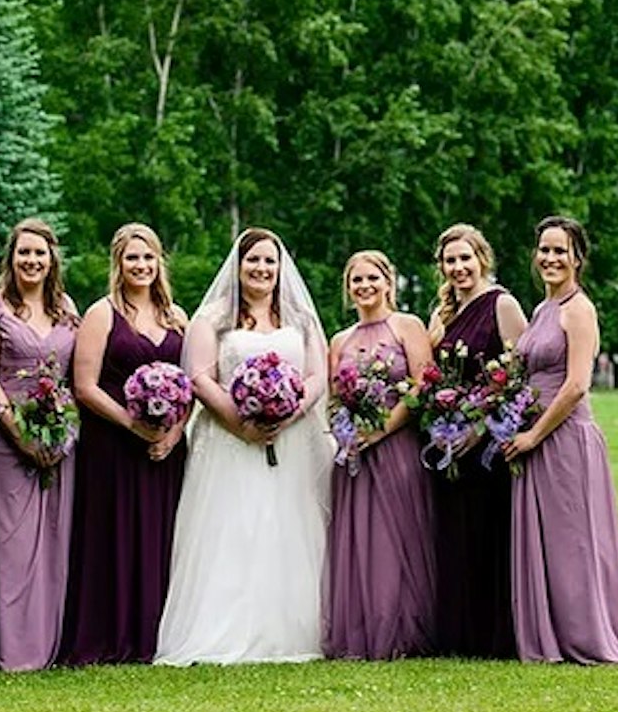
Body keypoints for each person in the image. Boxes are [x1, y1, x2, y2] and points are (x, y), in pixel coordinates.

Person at [155, 227, 332, 664]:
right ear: (238, 266)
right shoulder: (213, 317)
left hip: (289, 441)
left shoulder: (299, 319)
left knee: (286, 528)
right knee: (232, 528)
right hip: (229, 442)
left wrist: (288, 412)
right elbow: (199, 377)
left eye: (270, 261)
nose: (262, 269)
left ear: (281, 267)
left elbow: (317, 375)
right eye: (253, 260)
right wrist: (242, 425)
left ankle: (291, 633)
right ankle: (219, 631)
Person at [504, 216, 618, 664]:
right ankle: (550, 634)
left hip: (564, 439)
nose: (550, 258)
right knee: (547, 540)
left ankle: (585, 636)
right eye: (544, 250)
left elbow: (577, 384)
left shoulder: (578, 309)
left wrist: (533, 435)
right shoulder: (543, 309)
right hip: (532, 434)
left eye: (560, 251)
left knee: (574, 540)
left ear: (577, 258)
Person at [62, 223, 188, 663]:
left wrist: (173, 432)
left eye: (148, 257)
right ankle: (111, 634)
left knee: (163, 535)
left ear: (159, 262)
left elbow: (190, 385)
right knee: (112, 536)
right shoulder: (102, 314)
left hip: (165, 450)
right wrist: (133, 426)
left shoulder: (176, 317)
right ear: (118, 263)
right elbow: (85, 386)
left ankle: (157, 634)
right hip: (112, 445)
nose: (141, 265)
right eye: (132, 257)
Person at [0, 218, 79, 671]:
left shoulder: (66, 307)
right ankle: (10, 650)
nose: (31, 261)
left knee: (55, 542)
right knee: (9, 547)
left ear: (52, 260)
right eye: (23, 253)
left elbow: (70, 378)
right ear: (10, 259)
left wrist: (59, 431)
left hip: (59, 443)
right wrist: (21, 435)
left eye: (40, 253)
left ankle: (49, 644)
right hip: (6, 443)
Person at [323, 249, 436, 660]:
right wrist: (348, 431)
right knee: (360, 542)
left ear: (388, 282)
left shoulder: (407, 325)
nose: (365, 287)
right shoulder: (340, 340)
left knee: (397, 538)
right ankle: (364, 631)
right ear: (348, 288)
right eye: (357, 281)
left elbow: (423, 384)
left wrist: (382, 428)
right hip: (356, 456)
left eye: (373, 278)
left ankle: (404, 631)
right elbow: (334, 399)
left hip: (398, 446)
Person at [427, 223, 527, 658]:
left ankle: (493, 638)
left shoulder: (501, 303)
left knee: (488, 539)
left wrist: (480, 426)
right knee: (453, 539)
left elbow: (518, 376)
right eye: (450, 260)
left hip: (487, 447)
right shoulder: (443, 314)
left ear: (482, 258)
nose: (458, 267)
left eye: (465, 258)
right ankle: (457, 637)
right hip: (448, 442)